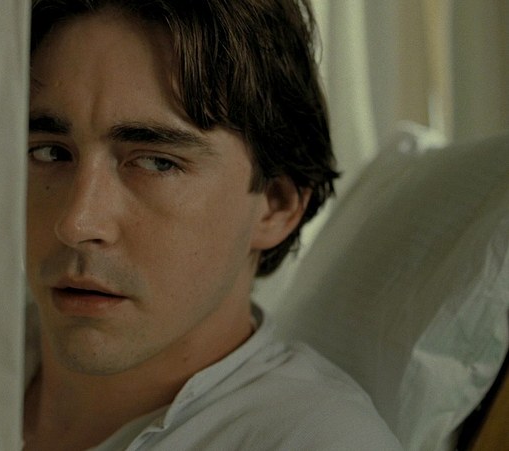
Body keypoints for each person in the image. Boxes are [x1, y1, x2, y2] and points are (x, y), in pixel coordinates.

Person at [23, 0, 402, 449]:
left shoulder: (317, 440)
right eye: (50, 152)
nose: (76, 223)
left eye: (157, 162)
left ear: (275, 206)